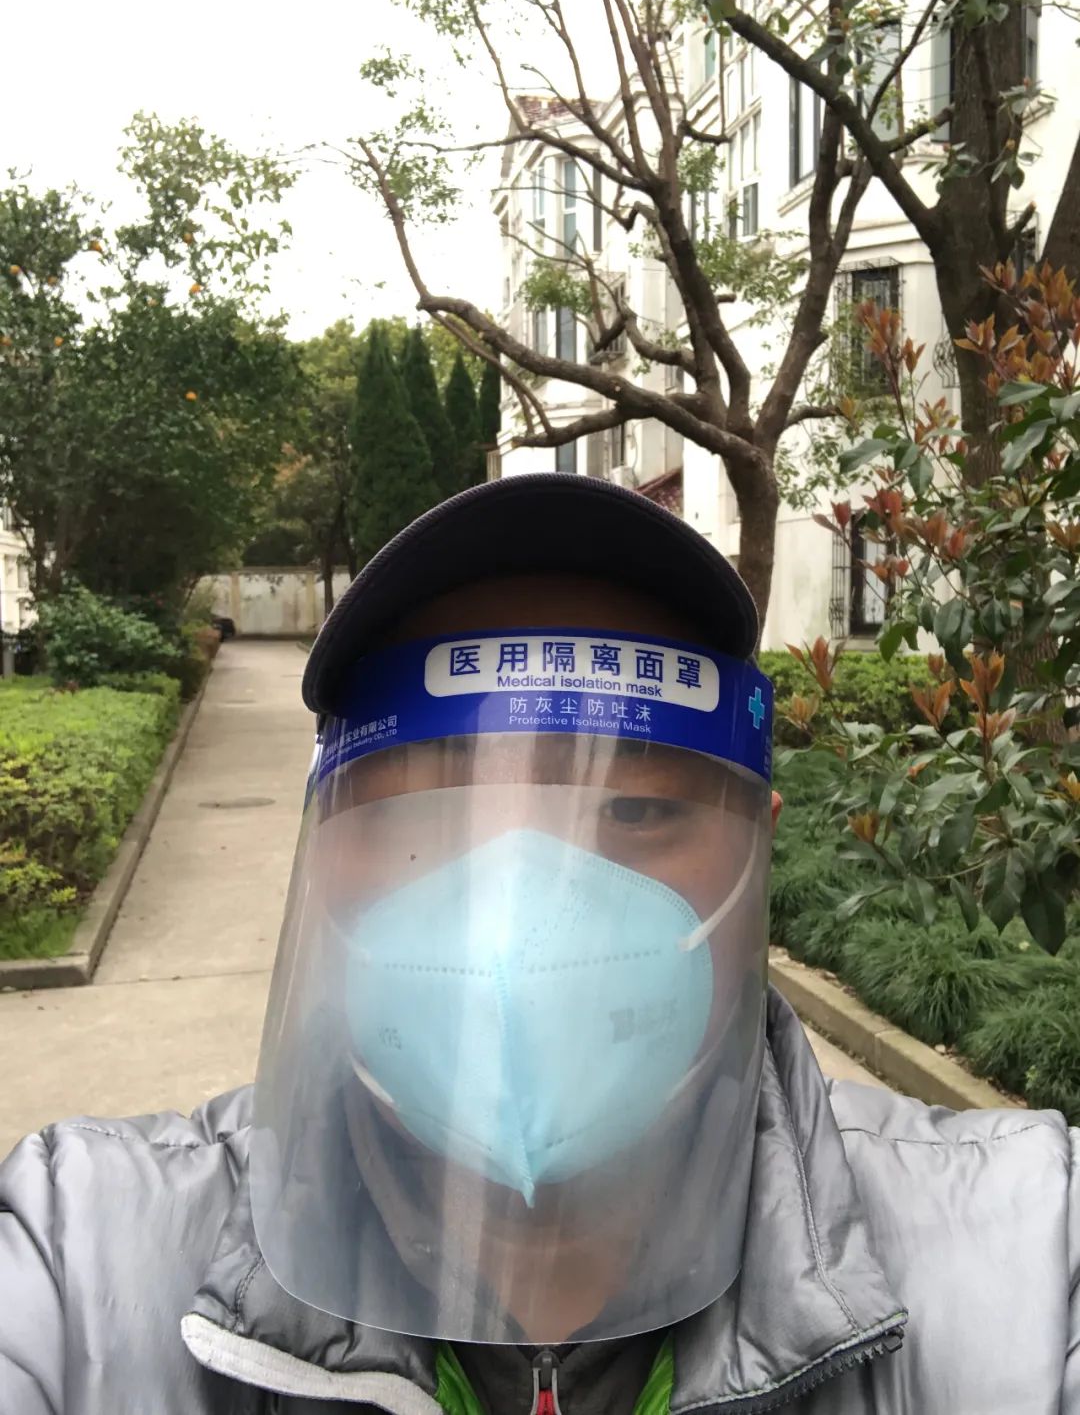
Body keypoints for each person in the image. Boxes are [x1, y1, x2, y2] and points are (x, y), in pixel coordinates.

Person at [0, 472, 1077, 1415]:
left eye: (633, 810)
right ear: (322, 854)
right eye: (429, 818)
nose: (515, 924)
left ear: (757, 859)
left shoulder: (1018, 1251)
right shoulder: (87, 1253)